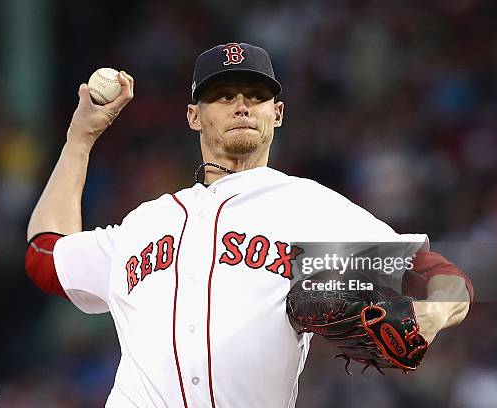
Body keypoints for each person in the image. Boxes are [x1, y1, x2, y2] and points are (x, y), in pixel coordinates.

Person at [25, 43, 473, 407]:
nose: (242, 105)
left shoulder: (309, 209)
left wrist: (430, 316)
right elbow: (44, 254)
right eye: (223, 95)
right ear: (193, 116)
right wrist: (80, 137)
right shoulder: (144, 223)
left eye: (255, 96)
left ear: (276, 114)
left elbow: (442, 277)